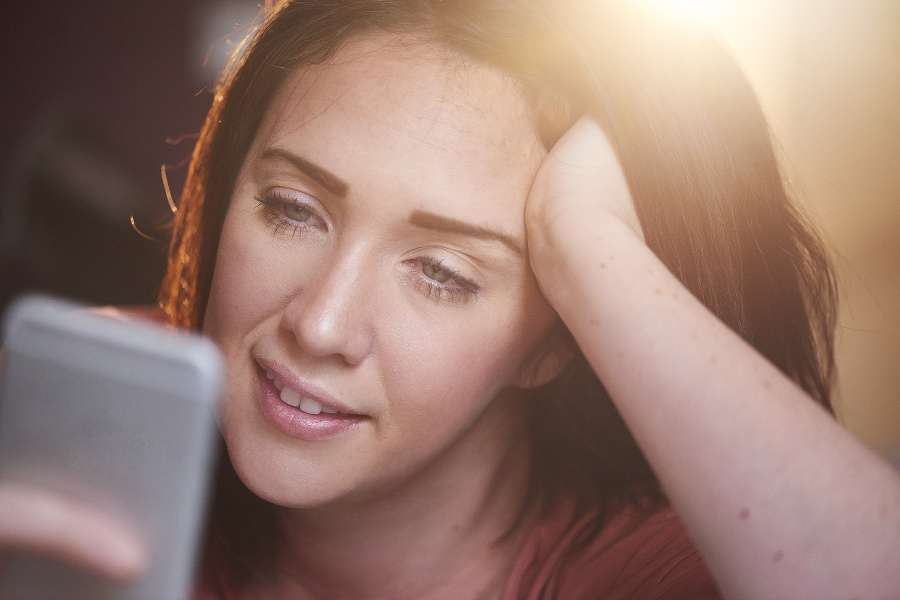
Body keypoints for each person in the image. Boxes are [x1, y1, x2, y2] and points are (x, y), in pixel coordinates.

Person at [2, 0, 900, 598]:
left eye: (443, 273)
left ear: (560, 335)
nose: (318, 325)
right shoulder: (84, 456)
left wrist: (586, 247)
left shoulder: (648, 573)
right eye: (291, 208)